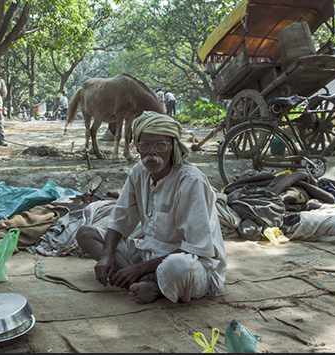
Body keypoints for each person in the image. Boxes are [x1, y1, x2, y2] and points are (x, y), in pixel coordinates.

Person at [76, 111, 227, 305]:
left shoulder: (190, 181)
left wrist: (138, 269)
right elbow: (120, 219)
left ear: (172, 147)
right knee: (85, 234)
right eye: (145, 146)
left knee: (176, 268)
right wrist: (106, 256)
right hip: (147, 253)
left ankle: (148, 281)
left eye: (160, 145)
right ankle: (146, 282)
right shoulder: (139, 171)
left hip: (190, 261)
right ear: (137, 148)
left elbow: (196, 249)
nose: (152, 152)